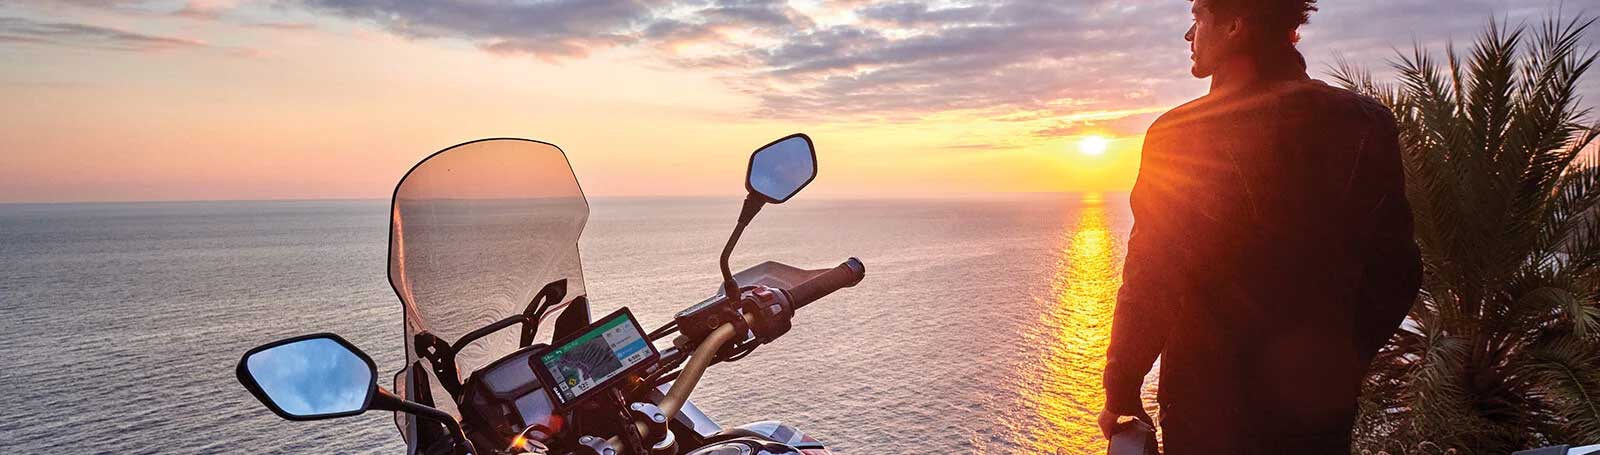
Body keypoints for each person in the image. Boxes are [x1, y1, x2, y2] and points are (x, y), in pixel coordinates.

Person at [1096, 0, 1422, 454]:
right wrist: (1339, 363)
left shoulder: (1182, 134)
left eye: (1197, 18)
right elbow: (1397, 272)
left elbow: (1152, 276)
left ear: (1234, 25)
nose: (1189, 35)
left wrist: (1122, 388)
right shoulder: (1365, 122)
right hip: (1318, 415)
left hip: (1209, 412)